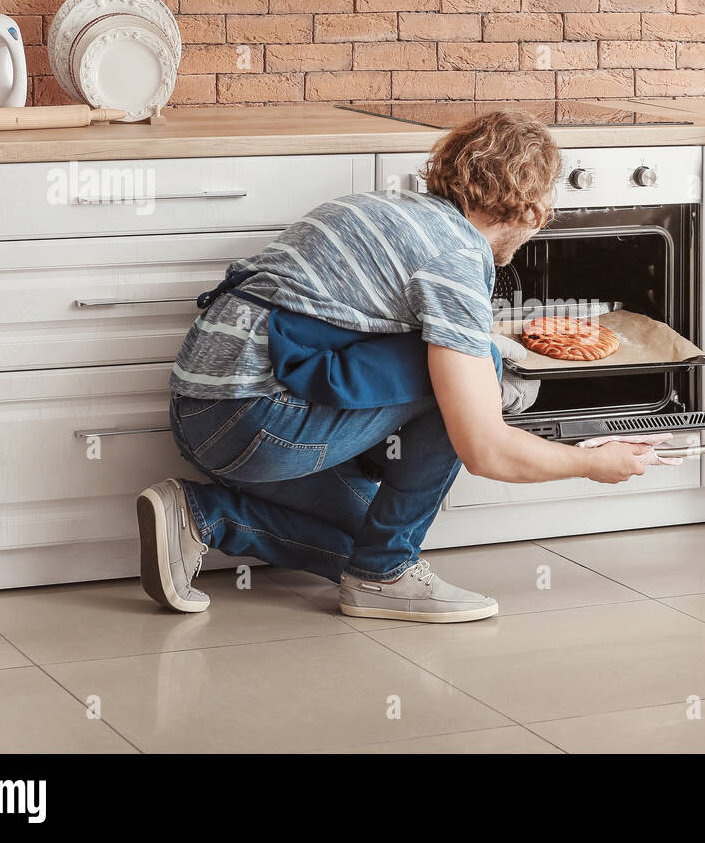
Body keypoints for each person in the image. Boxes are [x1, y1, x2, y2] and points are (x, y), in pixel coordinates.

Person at [137, 111, 673, 622]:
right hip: (256, 427)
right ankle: (385, 576)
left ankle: (201, 515)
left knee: (368, 535)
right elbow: (483, 450)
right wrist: (590, 464)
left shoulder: (378, 208)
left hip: (198, 418)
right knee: (474, 370)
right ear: (532, 210)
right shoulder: (456, 257)